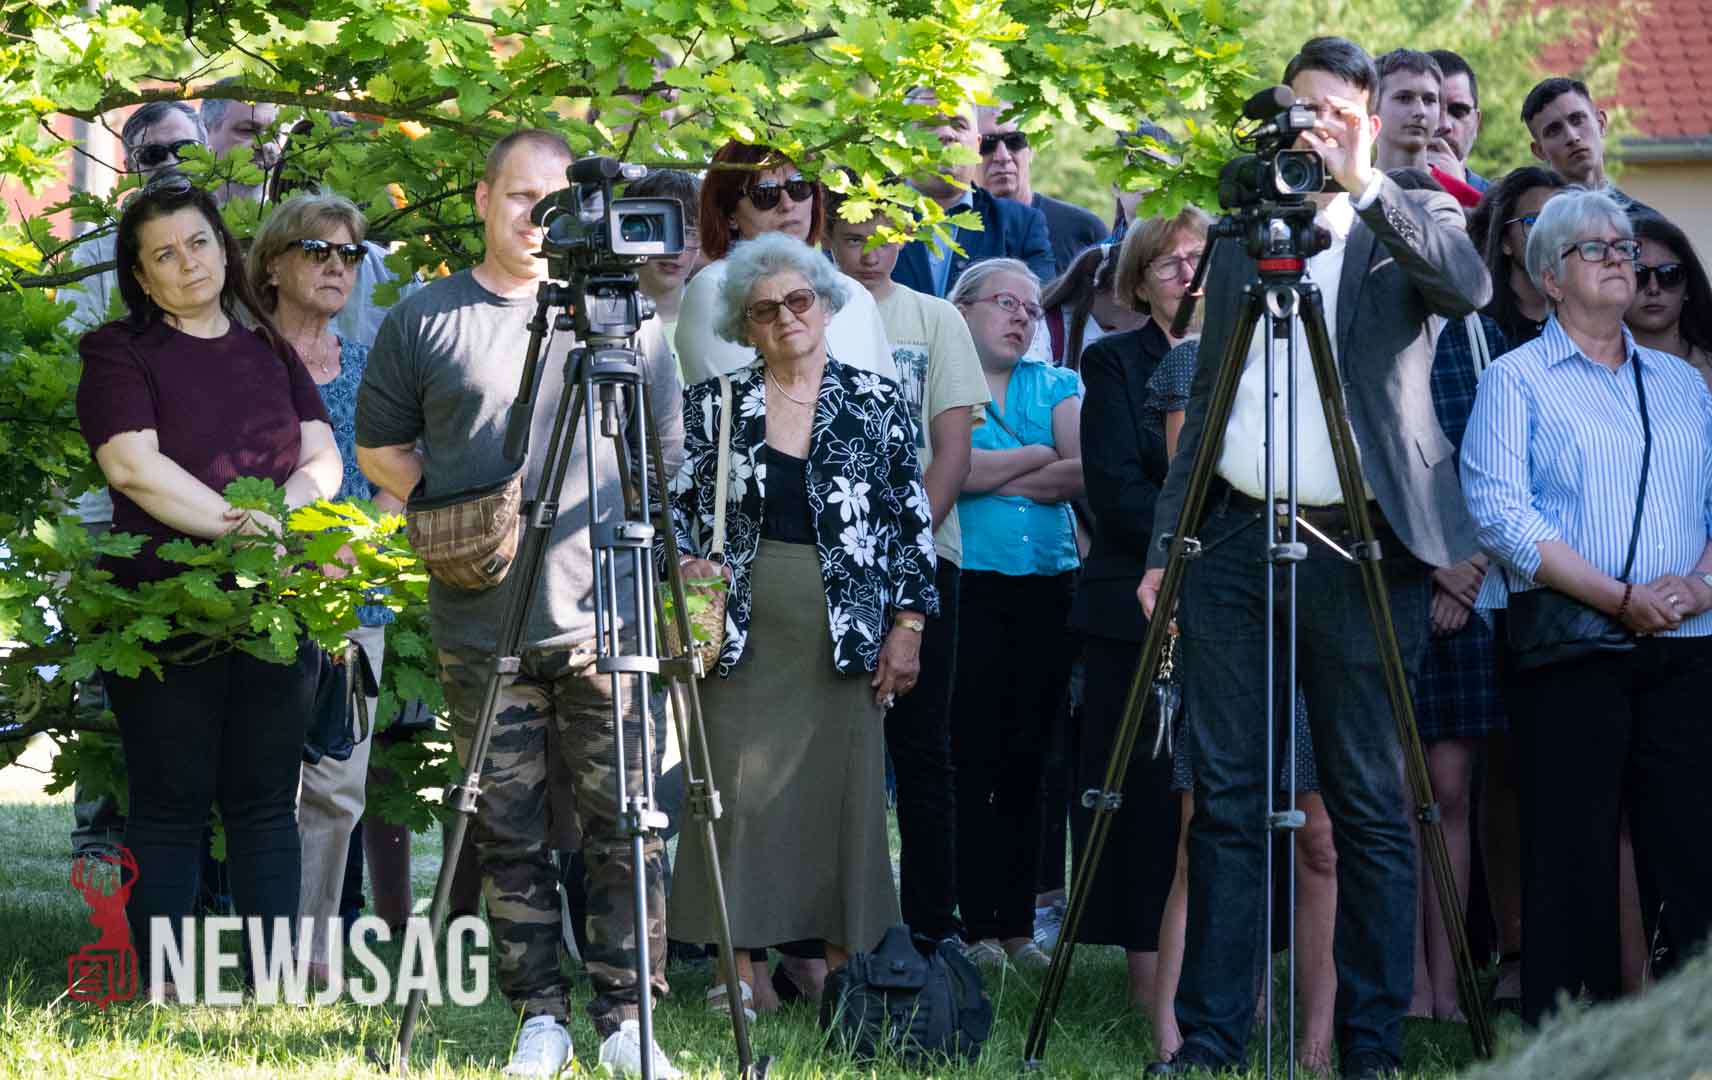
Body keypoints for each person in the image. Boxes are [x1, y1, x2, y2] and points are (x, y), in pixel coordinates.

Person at [1139, 36, 1491, 1078]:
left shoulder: (1409, 210)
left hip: (1365, 542)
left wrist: (1363, 184)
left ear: (1369, 123)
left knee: (1371, 804)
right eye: (1302, 110)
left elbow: (1467, 287)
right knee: (1227, 799)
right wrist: (1165, 547)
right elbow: (1210, 394)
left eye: (1337, 112)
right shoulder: (1246, 230)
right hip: (1234, 534)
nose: (1316, 128)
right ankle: (1210, 1040)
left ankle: (1370, 1046)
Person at [355, 129, 680, 1079]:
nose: (540, 219)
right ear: (483, 199)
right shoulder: (428, 316)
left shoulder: (623, 320)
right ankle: (539, 1014)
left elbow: (665, 454)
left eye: (556, 201)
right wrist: (461, 520)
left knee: (628, 823)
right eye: (521, 198)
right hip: (482, 618)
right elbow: (379, 448)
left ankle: (629, 1020)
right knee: (506, 827)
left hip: (608, 613)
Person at [74, 174, 342, 995]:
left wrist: (278, 519)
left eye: (198, 242)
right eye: (164, 254)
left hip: (273, 605)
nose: (187, 262)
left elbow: (323, 457)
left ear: (224, 250)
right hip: (161, 604)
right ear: (141, 275)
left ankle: (270, 982)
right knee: (170, 801)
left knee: (265, 800)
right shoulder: (118, 352)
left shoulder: (269, 348)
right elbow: (133, 467)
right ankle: (163, 982)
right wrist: (245, 528)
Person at [1461, 187, 1712, 1027]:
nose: (1621, 259)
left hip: (1688, 643)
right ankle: (1574, 1044)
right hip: (1572, 649)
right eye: (1596, 248)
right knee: (1572, 856)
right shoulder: (1514, 379)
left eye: (1625, 247)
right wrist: (1619, 597)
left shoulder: (1680, 384)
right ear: (1549, 277)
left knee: (1692, 850)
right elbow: (1501, 514)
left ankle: (1690, 1040)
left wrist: (1699, 587)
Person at [667, 232, 938, 1010]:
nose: (785, 317)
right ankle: (740, 976)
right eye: (765, 310)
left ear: (825, 304)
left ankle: (842, 969)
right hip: (738, 630)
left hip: (846, 630)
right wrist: (684, 565)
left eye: (798, 300)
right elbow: (672, 512)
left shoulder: (875, 400)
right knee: (734, 798)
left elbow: (909, 521)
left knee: (840, 801)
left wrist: (910, 626)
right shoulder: (715, 403)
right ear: (743, 326)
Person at [1144, 336, 1341, 1070]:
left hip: (1326, 606)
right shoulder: (1197, 359)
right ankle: (1179, 1036)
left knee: (1322, 840)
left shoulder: (1336, 345)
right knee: (1208, 832)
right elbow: (1189, 495)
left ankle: (1317, 1042)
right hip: (1229, 609)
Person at [245, 191, 403, 982]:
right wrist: (286, 554)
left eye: (350, 253)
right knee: (258, 781)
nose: (338, 265)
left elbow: (399, 480)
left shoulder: (372, 368)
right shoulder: (237, 364)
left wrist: (357, 548)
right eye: (317, 250)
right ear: (273, 265)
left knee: (338, 784)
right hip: (254, 597)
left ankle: (310, 951)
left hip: (354, 602)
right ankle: (255, 941)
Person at [824, 196, 989, 946]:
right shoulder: (808, 308)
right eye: (852, 238)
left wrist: (904, 549)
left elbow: (952, 452)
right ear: (827, 236)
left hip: (927, 557)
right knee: (832, 751)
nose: (868, 254)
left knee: (924, 750)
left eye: (883, 238)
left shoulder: (934, 317)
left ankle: (931, 928)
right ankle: (827, 932)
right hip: (830, 557)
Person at [1068, 208, 1206, 1006]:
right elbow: (1117, 488)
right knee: (1147, 801)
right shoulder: (1115, 363)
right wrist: (1202, 539)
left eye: (1200, 258)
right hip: (1137, 606)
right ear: (1138, 284)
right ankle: (1152, 992)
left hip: (1238, 605)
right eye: (1168, 264)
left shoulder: (1257, 355)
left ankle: (1233, 982)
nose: (1189, 274)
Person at [947, 257, 1083, 971]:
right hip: (971, 581)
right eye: (1006, 303)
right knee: (972, 754)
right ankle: (973, 925)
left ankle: (1017, 927)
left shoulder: (1058, 383)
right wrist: (1035, 455)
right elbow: (953, 472)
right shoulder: (945, 382)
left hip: (1047, 585)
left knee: (1032, 757)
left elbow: (1080, 471)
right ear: (963, 309)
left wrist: (987, 474)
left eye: (1032, 309)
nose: (1022, 318)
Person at [673, 141, 894, 384]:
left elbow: (888, 400)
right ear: (730, 214)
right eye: (765, 194)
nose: (787, 204)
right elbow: (741, 399)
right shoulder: (715, 287)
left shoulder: (855, 293)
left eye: (799, 187)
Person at [891, 90, 1056, 297]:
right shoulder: (874, 213)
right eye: (929, 124)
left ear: (977, 144)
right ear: (903, 141)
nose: (947, 134)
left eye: (959, 125)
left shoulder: (1021, 225)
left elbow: (1039, 308)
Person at [976, 105, 1106, 276]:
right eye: (987, 144)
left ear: (1030, 149)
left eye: (1014, 141)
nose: (1003, 156)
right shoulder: (952, 232)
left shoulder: (1084, 230)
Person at [1521, 77, 1654, 215]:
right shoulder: (1533, 225)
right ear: (1539, 151)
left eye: (1577, 120)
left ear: (1601, 123)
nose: (1572, 137)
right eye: (1554, 131)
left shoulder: (1646, 224)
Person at [1471, 166, 1570, 349]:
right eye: (1533, 221)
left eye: (1560, 221)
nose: (1548, 233)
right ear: (1505, 241)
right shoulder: (1474, 331)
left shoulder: (1591, 321)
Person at [1373, 49, 1480, 208]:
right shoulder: (1346, 193)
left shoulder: (1471, 204)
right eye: (1404, 98)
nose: (1420, 111)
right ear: (1372, 106)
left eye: (1429, 100)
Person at [625, 168, 704, 373]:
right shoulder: (601, 323)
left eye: (689, 233)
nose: (674, 249)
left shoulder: (716, 323)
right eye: (661, 229)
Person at [1627, 212, 1712, 390]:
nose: (1653, 288)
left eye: (1670, 274)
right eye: (1637, 274)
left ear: (1689, 287)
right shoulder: (1594, 373)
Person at [1038, 244, 1143, 369]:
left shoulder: (1129, 336)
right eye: (1147, 304)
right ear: (1120, 293)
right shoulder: (1044, 331)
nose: (1152, 315)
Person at [1427, 49, 1488, 192]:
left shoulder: (1504, 202)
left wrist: (1460, 191)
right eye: (1431, 107)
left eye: (1458, 111)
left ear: (1476, 123)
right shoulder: (1376, 192)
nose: (1443, 125)